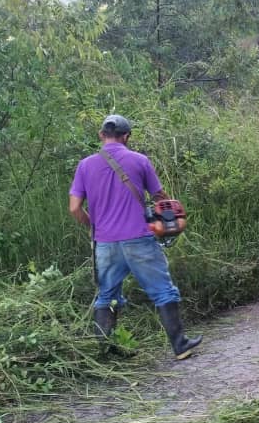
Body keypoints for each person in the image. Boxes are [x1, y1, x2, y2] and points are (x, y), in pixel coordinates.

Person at [68, 114, 202, 359]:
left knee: (106, 296)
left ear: (101, 135)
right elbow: (161, 197)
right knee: (163, 291)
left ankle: (103, 354)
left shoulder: (85, 165)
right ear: (127, 136)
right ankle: (180, 346)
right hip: (139, 238)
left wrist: (93, 227)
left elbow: (74, 208)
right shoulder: (139, 160)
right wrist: (169, 218)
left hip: (105, 244)